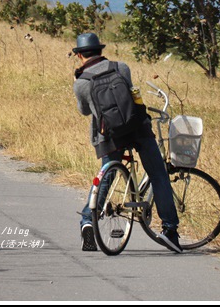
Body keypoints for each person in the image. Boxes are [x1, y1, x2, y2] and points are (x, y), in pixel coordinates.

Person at [71, 32, 182, 254]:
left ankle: (88, 221)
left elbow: (85, 111)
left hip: (109, 136)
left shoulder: (81, 83)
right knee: (158, 175)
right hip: (138, 128)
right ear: (100, 50)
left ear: (80, 55)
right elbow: (129, 96)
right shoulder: (121, 67)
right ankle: (170, 231)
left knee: (107, 176)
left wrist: (80, 86)